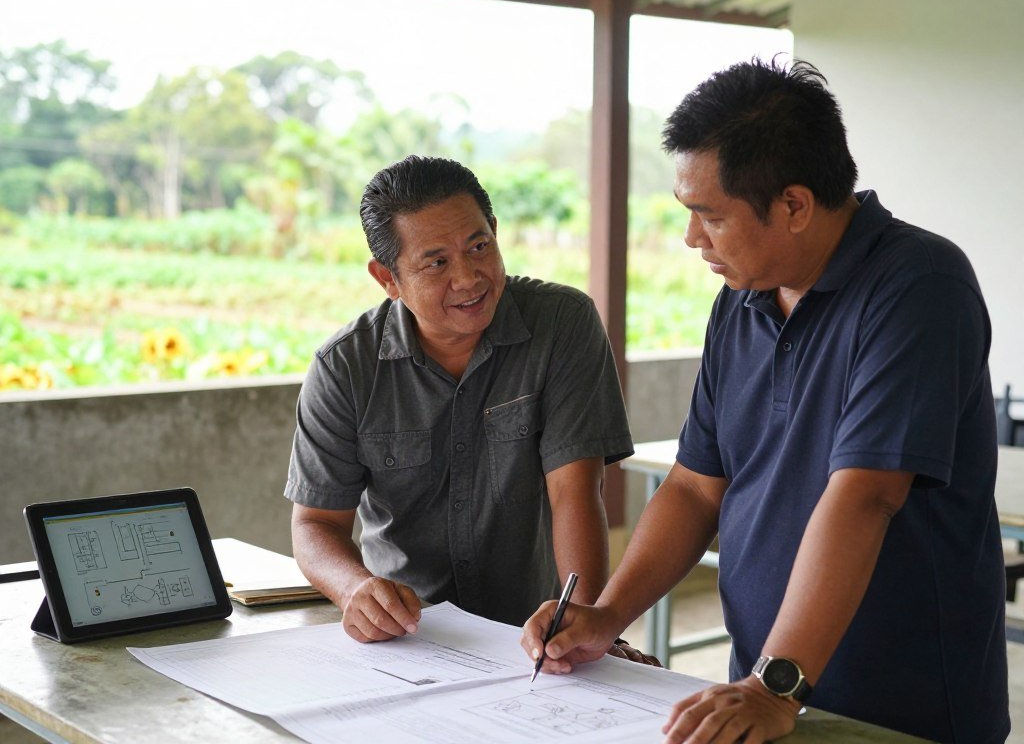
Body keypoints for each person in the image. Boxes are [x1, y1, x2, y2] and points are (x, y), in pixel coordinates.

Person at [522, 58, 1009, 744]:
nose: (693, 239)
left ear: (795, 205)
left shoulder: (919, 287)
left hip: (897, 703)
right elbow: (695, 487)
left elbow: (867, 493)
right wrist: (605, 615)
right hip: (765, 691)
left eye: (710, 217)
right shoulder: (742, 301)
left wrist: (775, 681)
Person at [284, 155, 635, 645]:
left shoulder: (562, 324)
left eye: (479, 246)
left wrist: (584, 623)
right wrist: (356, 590)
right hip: (411, 637)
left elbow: (574, 491)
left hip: (533, 629)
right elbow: (316, 523)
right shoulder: (344, 368)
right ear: (387, 278)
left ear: (494, 230)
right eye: (436, 262)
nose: (469, 278)